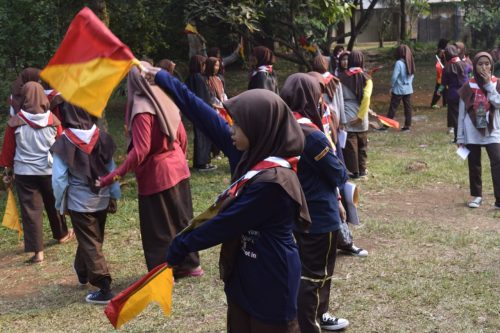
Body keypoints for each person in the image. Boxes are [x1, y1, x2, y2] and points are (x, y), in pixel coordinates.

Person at [158, 81, 310, 331]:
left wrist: (182, 245)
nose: (231, 130)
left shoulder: (274, 182)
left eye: (238, 124)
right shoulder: (249, 153)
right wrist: (165, 79)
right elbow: (201, 114)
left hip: (271, 277)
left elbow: (227, 223)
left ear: (259, 127)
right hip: (244, 270)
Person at [98, 62, 203, 278]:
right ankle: (191, 264)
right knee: (183, 220)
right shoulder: (164, 97)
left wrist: (112, 177)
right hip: (178, 168)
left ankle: (163, 273)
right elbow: (181, 136)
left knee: (159, 228)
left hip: (157, 176)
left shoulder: (141, 108)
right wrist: (177, 159)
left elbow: (141, 150)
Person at [280, 73, 349, 332]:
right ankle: (309, 325)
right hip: (318, 215)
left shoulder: (282, 127)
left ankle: (321, 315)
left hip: (293, 212)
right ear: (310, 97)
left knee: (306, 273)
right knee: (314, 276)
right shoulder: (313, 135)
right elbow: (338, 173)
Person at [51, 102, 120, 304]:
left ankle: (104, 286)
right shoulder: (101, 135)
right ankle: (82, 270)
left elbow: (59, 179)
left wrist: (59, 203)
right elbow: (112, 169)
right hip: (102, 196)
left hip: (80, 202)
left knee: (91, 242)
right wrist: (114, 194)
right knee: (93, 239)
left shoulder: (65, 141)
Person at [0, 82, 73, 264]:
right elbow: (61, 147)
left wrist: (7, 170)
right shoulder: (54, 121)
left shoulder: (15, 122)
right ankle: (62, 234)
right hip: (49, 171)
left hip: (25, 173)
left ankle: (38, 253)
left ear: (24, 97)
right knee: (54, 203)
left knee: (30, 211)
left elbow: (8, 151)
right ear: (43, 97)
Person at [457, 52, 500, 210]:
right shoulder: (468, 86)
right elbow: (461, 114)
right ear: (474, 66)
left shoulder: (497, 83)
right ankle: (477, 195)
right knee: (474, 164)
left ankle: (499, 200)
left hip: (493, 131)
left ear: (491, 65)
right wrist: (460, 136)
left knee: (497, 162)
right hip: (472, 131)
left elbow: (498, 103)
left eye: (487, 64)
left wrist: (489, 85)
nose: (484, 67)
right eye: (480, 64)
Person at [339, 50, 373, 179]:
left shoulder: (341, 78)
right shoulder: (367, 78)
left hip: (347, 113)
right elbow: (366, 97)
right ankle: (363, 169)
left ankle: (354, 171)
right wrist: (360, 116)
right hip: (361, 115)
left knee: (351, 145)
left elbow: (339, 98)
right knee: (363, 144)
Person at [186, 55, 216, 171]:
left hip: (197, 111)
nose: (205, 67)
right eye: (203, 64)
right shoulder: (197, 77)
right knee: (203, 137)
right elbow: (203, 97)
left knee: (201, 136)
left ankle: (203, 161)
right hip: (202, 111)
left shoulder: (192, 77)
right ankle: (202, 163)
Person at [381, 44, 415, 132]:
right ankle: (407, 126)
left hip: (398, 90)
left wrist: (391, 86)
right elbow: (412, 75)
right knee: (408, 107)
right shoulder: (410, 61)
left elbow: (394, 77)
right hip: (408, 89)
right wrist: (408, 83)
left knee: (393, 108)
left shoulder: (398, 63)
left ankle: (386, 126)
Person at [440, 45, 470, 143]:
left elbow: (443, 84)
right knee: (466, 116)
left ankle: (458, 138)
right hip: (465, 94)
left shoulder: (446, 68)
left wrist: (438, 91)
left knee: (456, 117)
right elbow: (471, 73)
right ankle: (467, 137)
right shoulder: (465, 64)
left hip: (453, 95)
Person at [431, 39, 448, 109]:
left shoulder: (443, 51)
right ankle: (433, 103)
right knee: (439, 88)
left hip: (444, 73)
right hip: (441, 74)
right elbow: (438, 62)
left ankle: (446, 103)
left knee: (445, 89)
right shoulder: (440, 52)